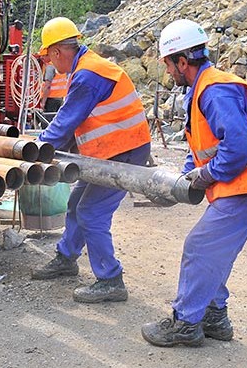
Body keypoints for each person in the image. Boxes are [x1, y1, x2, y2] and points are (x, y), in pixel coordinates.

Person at [141, 19, 247, 347]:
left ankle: (186, 323)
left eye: (167, 64)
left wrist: (206, 176)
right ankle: (214, 317)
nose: (167, 73)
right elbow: (205, 143)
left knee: (200, 246)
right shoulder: (204, 87)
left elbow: (237, 148)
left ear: (181, 61)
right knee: (216, 248)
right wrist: (188, 175)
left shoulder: (215, 90)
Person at [31, 17, 152, 303]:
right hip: (111, 149)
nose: (49, 63)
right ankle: (66, 258)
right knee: (76, 203)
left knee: (91, 212)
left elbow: (65, 123)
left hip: (124, 151)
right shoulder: (87, 67)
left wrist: (35, 150)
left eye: (48, 57)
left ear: (57, 52)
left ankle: (110, 279)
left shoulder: (87, 75)